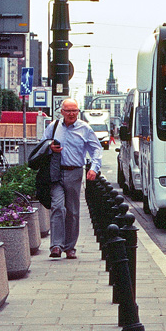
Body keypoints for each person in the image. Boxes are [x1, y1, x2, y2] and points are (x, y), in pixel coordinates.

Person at [48, 99, 101, 259]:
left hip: (74, 172)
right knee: (57, 207)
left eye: (74, 111)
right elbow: (42, 144)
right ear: (62, 112)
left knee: (72, 211)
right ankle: (56, 245)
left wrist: (93, 168)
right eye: (68, 111)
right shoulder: (53, 127)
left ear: (78, 112)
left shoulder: (85, 129)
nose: (71, 114)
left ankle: (70, 247)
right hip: (55, 173)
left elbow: (96, 149)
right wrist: (49, 146)